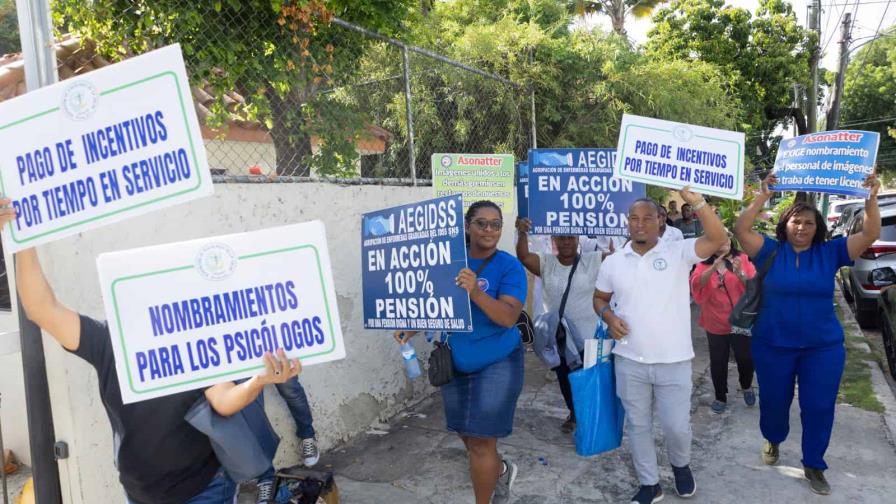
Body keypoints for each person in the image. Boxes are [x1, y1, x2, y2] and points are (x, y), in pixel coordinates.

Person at [0, 198, 301, 504]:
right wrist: (23, 239)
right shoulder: (107, 339)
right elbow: (42, 310)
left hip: (202, 490)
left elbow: (224, 401)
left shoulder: (192, 341)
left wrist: (258, 381)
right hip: (139, 492)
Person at [733, 173, 881, 496]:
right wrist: (762, 196)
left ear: (818, 228)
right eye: (796, 221)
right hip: (772, 344)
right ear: (785, 224)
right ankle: (773, 437)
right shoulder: (769, 250)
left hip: (822, 348)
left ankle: (814, 464)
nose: (801, 227)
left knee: (819, 406)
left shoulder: (831, 252)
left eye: (809, 223)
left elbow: (870, 232)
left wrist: (870, 198)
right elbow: (741, 229)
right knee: (774, 403)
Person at [593, 189, 727, 504]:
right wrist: (609, 317)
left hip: (674, 360)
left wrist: (697, 201)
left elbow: (717, 237)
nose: (639, 224)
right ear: (627, 222)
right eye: (634, 219)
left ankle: (681, 465)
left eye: (647, 218)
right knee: (638, 425)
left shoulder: (678, 251)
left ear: (660, 221)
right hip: (629, 360)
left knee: (676, 426)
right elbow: (599, 299)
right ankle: (649, 484)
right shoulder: (613, 262)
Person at [394, 200, 527, 504]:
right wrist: (412, 328)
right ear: (467, 226)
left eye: (495, 224)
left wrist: (475, 291)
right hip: (455, 360)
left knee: (481, 441)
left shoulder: (509, 266)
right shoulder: (447, 260)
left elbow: (508, 317)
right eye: (481, 223)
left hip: (497, 361)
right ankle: (500, 469)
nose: (489, 230)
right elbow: (436, 303)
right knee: (465, 432)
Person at [515, 218, 602, 434]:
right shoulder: (547, 263)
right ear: (554, 239)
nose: (566, 242)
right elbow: (524, 256)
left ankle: (589, 420)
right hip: (560, 337)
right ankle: (574, 413)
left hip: (587, 338)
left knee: (588, 381)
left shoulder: (593, 260)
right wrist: (522, 232)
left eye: (570, 237)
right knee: (565, 379)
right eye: (561, 237)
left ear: (578, 238)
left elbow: (619, 259)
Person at [689, 238, 756, 414]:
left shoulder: (742, 258)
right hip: (715, 320)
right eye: (718, 238)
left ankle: (746, 385)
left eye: (726, 237)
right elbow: (696, 283)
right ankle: (720, 396)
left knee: (745, 358)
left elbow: (753, 286)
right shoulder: (703, 264)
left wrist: (740, 273)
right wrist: (713, 268)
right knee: (718, 361)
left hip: (740, 321)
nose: (724, 241)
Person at [254, 376, 319, 503]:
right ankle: (265, 478)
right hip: (244, 363)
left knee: (290, 388)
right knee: (252, 407)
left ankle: (307, 436)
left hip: (275, 361)